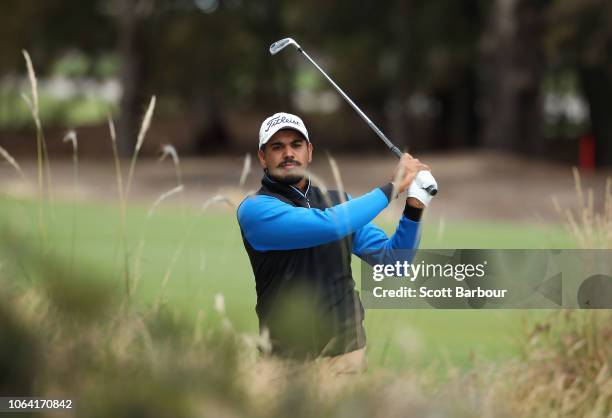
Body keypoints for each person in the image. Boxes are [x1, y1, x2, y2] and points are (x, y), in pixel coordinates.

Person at [237, 112, 436, 371]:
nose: (288, 153)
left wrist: (415, 205)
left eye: (296, 145)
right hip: (284, 362)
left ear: (309, 151)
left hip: (346, 355)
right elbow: (328, 225)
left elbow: (393, 262)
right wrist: (392, 188)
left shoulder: (341, 203)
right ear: (263, 157)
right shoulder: (255, 210)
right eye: (277, 147)